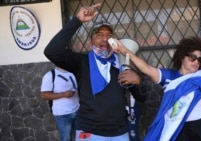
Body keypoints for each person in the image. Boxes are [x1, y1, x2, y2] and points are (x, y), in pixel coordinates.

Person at [44, 3, 147, 141]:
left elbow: (141, 97)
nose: (105, 39)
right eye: (99, 35)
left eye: (109, 35)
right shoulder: (81, 62)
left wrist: (138, 81)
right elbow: (52, 51)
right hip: (90, 133)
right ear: (90, 41)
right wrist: (77, 20)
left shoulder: (123, 63)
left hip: (120, 133)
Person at [112, 36, 201, 141]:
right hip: (175, 128)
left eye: (199, 59)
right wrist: (125, 51)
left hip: (198, 127)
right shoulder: (169, 76)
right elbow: (147, 69)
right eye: (192, 57)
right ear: (182, 57)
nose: (196, 61)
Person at [40, 67, 79, 141]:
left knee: (81, 137)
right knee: (66, 138)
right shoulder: (50, 75)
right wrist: (64, 94)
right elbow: (44, 95)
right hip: (63, 114)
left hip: (78, 110)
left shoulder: (75, 72)